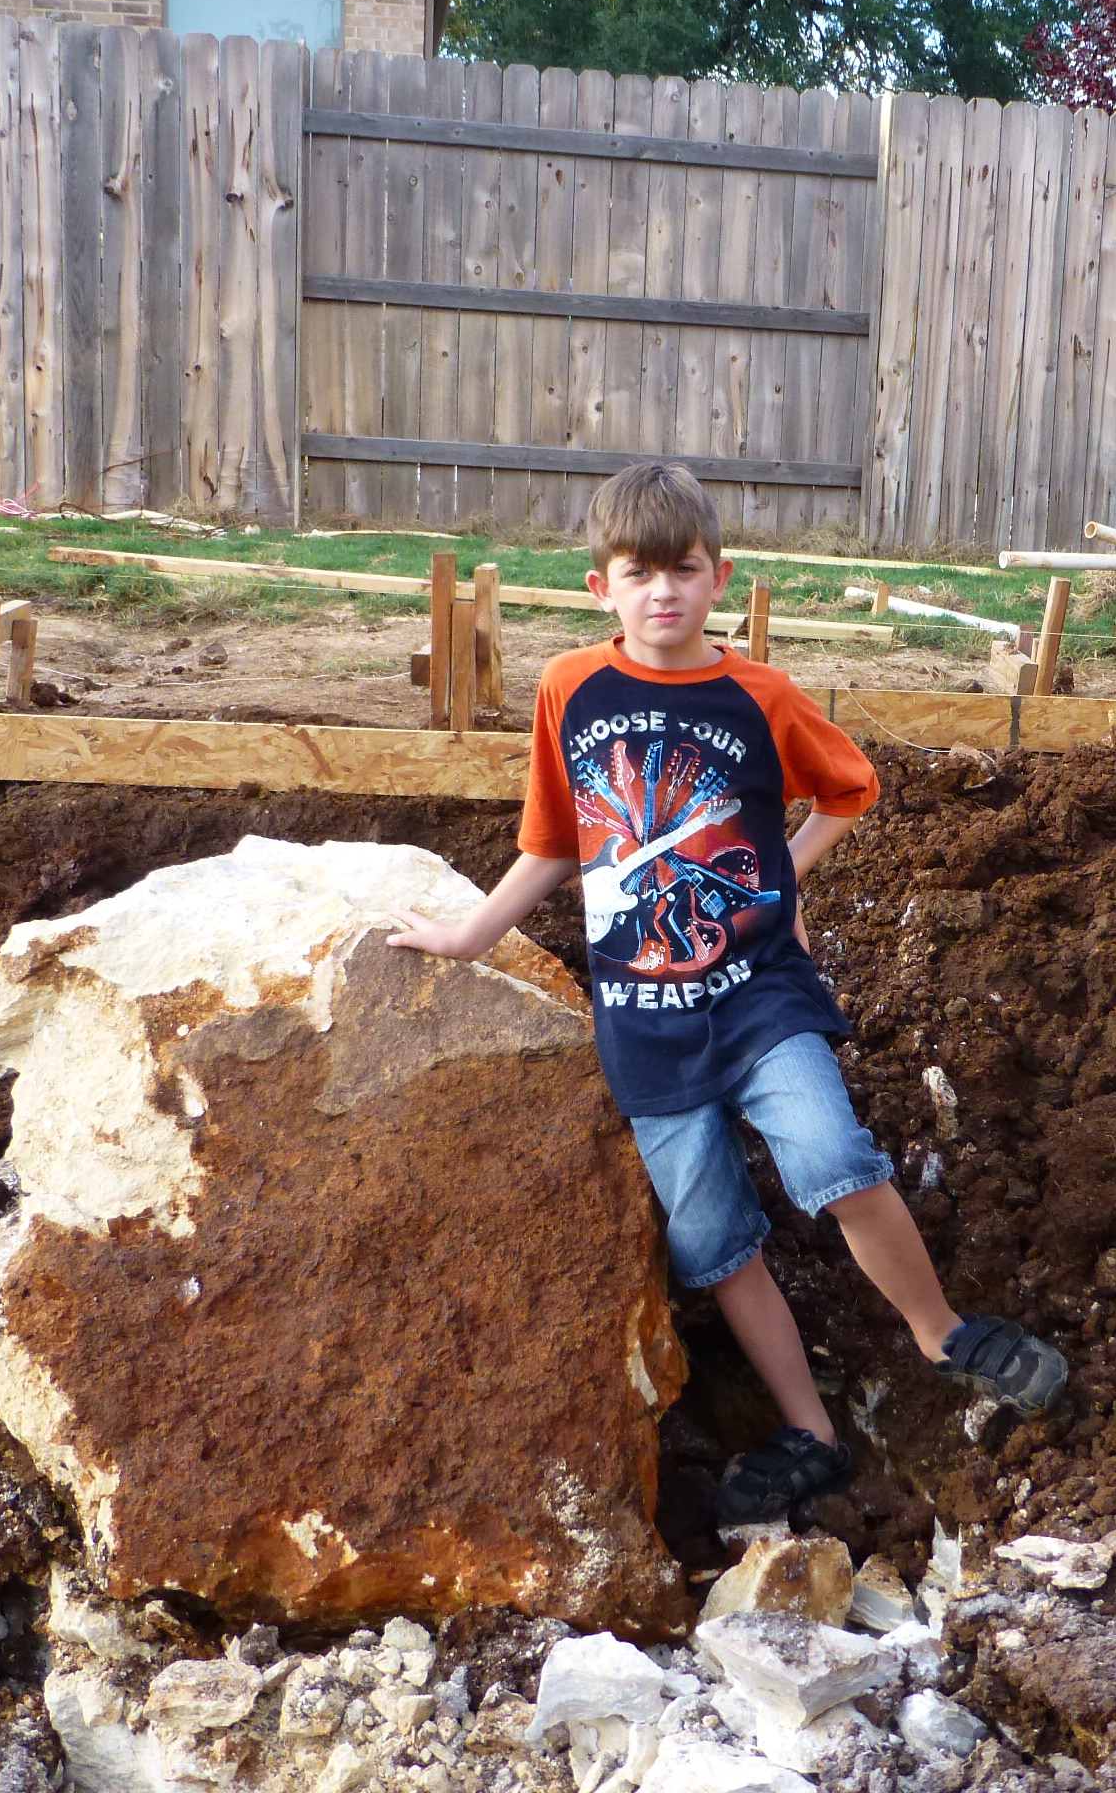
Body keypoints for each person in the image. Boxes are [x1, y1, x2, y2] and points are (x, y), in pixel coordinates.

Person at [388, 460, 1065, 1524]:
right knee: (711, 1242)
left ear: (721, 579)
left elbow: (850, 788)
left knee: (833, 1156)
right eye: (638, 573)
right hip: (642, 1025)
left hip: (756, 993)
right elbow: (555, 838)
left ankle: (942, 1334)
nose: (662, 592)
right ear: (597, 587)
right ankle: (811, 1433)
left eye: (684, 571)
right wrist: (471, 936)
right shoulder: (571, 687)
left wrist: (787, 875)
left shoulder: (761, 696)